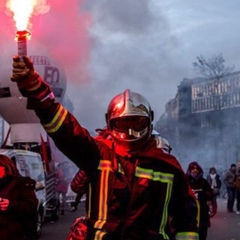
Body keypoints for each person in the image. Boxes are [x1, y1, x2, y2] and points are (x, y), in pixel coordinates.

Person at [11, 55, 199, 240]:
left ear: (149, 121)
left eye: (137, 122)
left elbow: (187, 218)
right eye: (123, 124)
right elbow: (66, 130)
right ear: (109, 123)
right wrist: (36, 89)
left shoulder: (167, 165)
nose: (131, 131)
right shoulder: (99, 154)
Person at [0, 154, 38, 240]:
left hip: (13, 234)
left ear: (6, 167)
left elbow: (31, 206)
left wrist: (10, 205)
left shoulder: (21, 184)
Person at [186, 162, 214, 240]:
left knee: (202, 233)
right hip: (189, 212)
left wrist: (203, 194)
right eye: (193, 169)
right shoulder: (185, 181)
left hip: (203, 212)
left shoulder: (203, 182)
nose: (195, 171)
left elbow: (211, 195)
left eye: (197, 169)